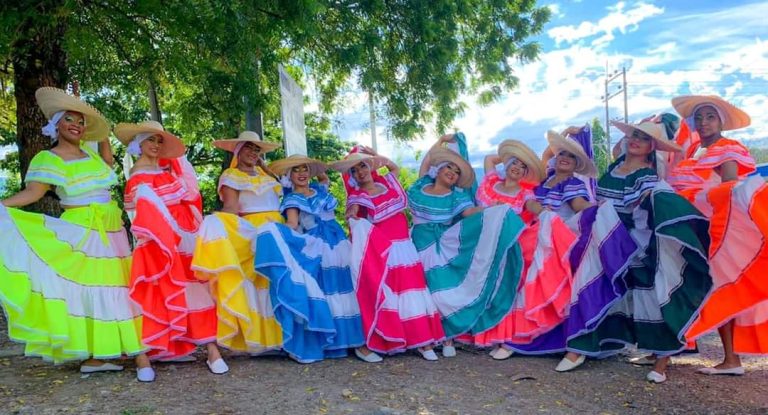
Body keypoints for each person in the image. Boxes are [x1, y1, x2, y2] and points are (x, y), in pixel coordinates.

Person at [0, 87, 148, 379]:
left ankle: (107, 354)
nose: (76, 125)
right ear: (56, 124)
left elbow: (107, 163)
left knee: (119, 286)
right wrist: (2, 205)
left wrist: (101, 131)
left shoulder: (91, 156)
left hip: (112, 229)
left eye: (81, 122)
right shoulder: (48, 158)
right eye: (69, 119)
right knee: (94, 289)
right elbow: (33, 193)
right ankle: (132, 355)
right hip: (81, 230)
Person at [565, 120, 712, 383]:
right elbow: (602, 200)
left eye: (643, 138)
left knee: (651, 296)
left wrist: (659, 207)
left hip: (635, 243)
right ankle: (582, 346)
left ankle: (662, 360)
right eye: (633, 135)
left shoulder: (646, 175)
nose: (635, 140)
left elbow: (653, 200)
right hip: (606, 238)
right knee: (595, 283)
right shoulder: (614, 168)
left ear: (651, 147)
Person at [508, 129, 639, 373]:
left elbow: (580, 206)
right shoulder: (546, 179)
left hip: (559, 241)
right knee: (524, 281)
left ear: (578, 164)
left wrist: (598, 208)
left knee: (545, 287)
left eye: (571, 156)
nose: (565, 158)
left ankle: (556, 341)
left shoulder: (572, 183)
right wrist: (565, 135)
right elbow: (545, 159)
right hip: (536, 238)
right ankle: (522, 334)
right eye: (562, 154)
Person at [117, 121, 228, 378]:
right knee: (160, 292)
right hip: (158, 241)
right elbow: (141, 213)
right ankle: (149, 354)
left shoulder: (166, 171)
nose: (156, 145)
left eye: (159, 141)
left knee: (195, 288)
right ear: (139, 144)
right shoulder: (137, 175)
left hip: (185, 235)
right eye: (150, 140)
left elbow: (187, 199)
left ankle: (212, 350)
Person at [669, 95, 768, 375]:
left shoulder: (728, 147)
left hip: (718, 228)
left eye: (710, 117)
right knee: (711, 286)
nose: (704, 122)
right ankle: (726, 358)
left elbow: (729, 186)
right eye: (699, 117)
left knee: (722, 286)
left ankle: (731, 359)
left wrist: (700, 201)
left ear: (721, 122)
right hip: (698, 225)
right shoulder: (696, 152)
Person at [408, 135, 526, 357]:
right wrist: (440, 141)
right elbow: (427, 160)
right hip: (416, 243)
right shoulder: (422, 185)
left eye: (456, 172)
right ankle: (426, 339)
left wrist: (493, 209)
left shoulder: (456, 196)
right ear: (439, 169)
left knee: (441, 290)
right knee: (421, 289)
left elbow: (470, 212)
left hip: (441, 244)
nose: (452, 172)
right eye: (449, 167)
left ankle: (448, 337)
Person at [330, 146, 445, 361]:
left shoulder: (387, 183)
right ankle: (395, 338)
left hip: (405, 247)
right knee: (392, 294)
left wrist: (374, 155)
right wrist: (352, 217)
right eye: (354, 170)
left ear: (371, 166)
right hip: (384, 251)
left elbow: (394, 167)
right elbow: (352, 215)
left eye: (363, 166)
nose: (360, 172)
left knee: (412, 290)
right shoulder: (357, 197)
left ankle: (422, 341)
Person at [465, 140, 576, 361]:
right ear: (506, 165)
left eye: (523, 167)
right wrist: (511, 155)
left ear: (526, 174)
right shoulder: (490, 181)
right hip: (478, 244)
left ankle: (504, 337)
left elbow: (533, 206)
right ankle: (480, 332)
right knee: (479, 289)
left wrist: (543, 212)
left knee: (504, 290)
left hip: (504, 247)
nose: (517, 167)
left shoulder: (525, 194)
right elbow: (489, 159)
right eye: (514, 163)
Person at [253, 154, 365, 363]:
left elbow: (324, 178)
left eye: (305, 169)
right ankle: (332, 341)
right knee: (328, 289)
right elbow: (292, 224)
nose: (302, 173)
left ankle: (354, 341)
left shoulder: (319, 189)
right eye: (296, 170)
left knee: (345, 287)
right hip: (317, 244)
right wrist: (274, 229)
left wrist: (316, 166)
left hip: (338, 241)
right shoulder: (292, 199)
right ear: (289, 176)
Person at [191, 131, 283, 355]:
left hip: (278, 230)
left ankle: (280, 339)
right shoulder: (231, 175)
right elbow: (231, 209)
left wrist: (265, 167)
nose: (253, 152)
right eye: (248, 147)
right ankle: (257, 340)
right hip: (253, 231)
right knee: (258, 281)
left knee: (276, 281)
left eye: (257, 149)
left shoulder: (267, 176)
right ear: (238, 151)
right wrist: (219, 225)